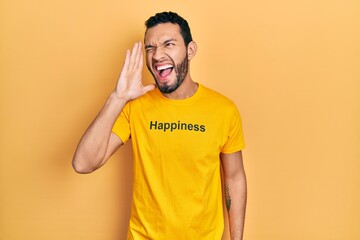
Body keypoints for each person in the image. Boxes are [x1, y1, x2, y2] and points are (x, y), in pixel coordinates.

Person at [72, 11, 247, 240]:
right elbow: (83, 163)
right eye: (150, 48)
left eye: (168, 44)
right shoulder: (135, 107)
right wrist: (118, 97)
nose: (157, 55)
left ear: (190, 50)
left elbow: (234, 177)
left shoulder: (223, 110)